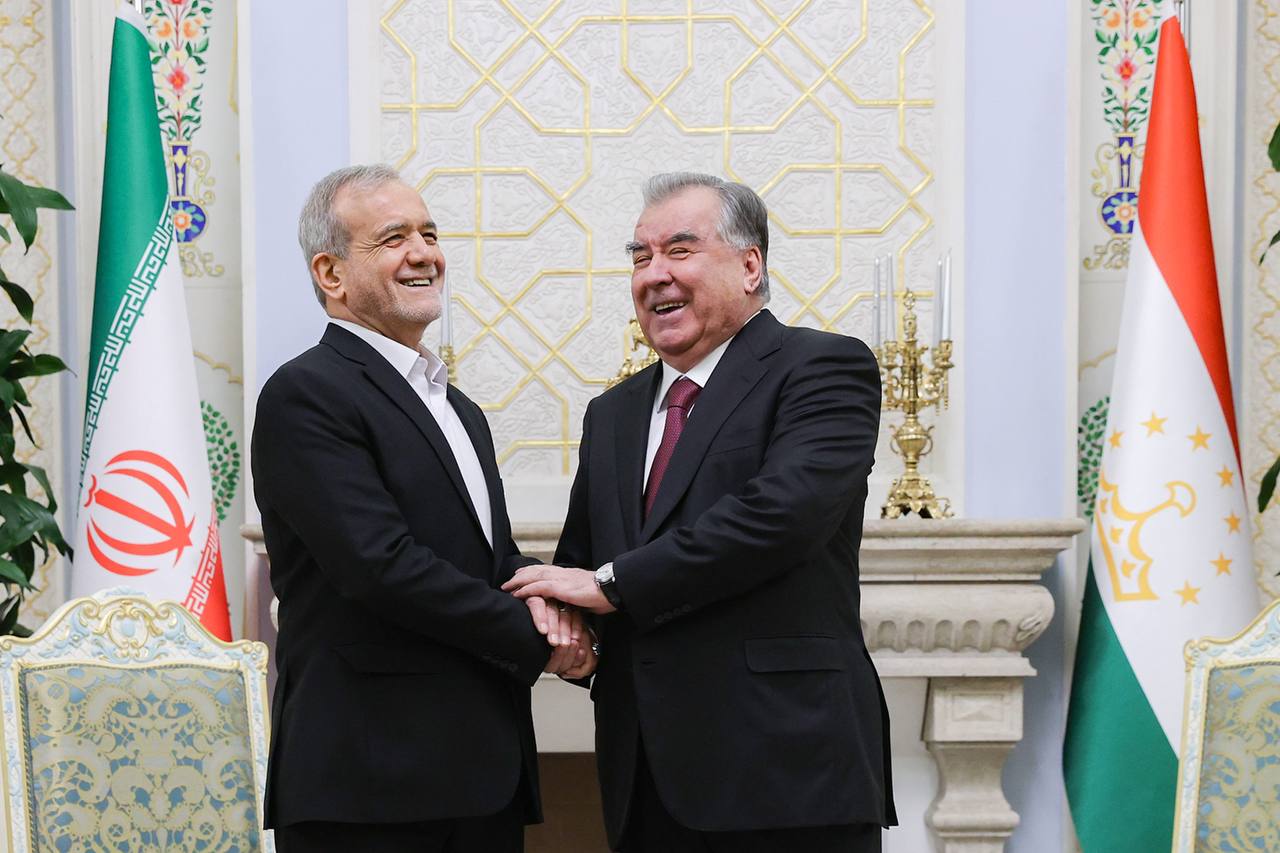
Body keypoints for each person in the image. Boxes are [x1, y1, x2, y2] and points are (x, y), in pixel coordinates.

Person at [504, 172, 896, 852]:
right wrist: (570, 637)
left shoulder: (823, 368)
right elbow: (583, 563)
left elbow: (780, 516)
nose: (654, 274)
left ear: (750, 266)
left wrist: (610, 585)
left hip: (788, 774)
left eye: (680, 250)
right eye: (640, 256)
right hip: (644, 781)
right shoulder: (612, 414)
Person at [252, 164, 592, 852]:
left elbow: (485, 560)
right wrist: (542, 639)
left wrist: (556, 596)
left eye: (430, 234)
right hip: (369, 783)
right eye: (394, 238)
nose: (423, 253)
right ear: (331, 272)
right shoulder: (306, 393)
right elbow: (379, 566)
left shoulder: (457, 408)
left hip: (481, 775)